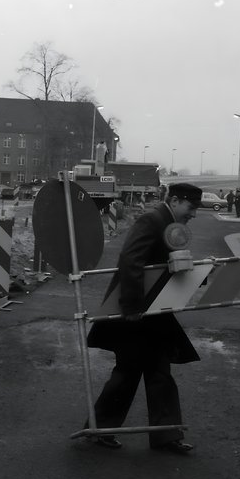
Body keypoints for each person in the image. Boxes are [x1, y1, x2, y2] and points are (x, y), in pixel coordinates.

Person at [86, 183, 202, 454]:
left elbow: (166, 265)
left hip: (153, 312)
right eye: (191, 207)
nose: (194, 214)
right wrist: (132, 306)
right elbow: (131, 260)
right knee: (127, 372)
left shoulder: (168, 222)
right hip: (135, 312)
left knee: (159, 371)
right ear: (174, 201)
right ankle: (102, 429)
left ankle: (166, 436)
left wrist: (198, 271)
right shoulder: (152, 219)